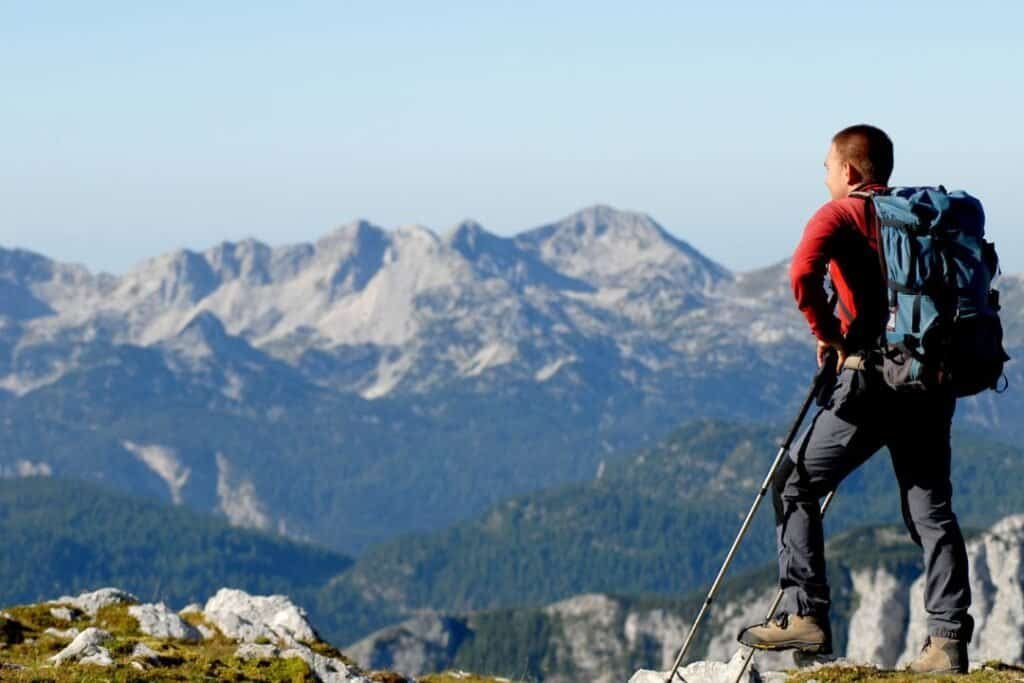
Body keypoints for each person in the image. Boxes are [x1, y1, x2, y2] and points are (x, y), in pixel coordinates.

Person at [735, 125, 973, 674]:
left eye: (825, 167)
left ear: (849, 171)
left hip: (868, 384)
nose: (824, 177)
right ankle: (947, 641)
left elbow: (801, 274)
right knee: (932, 511)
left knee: (793, 481)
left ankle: (806, 614)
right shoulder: (917, 218)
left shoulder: (838, 215)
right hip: (929, 380)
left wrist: (829, 333)